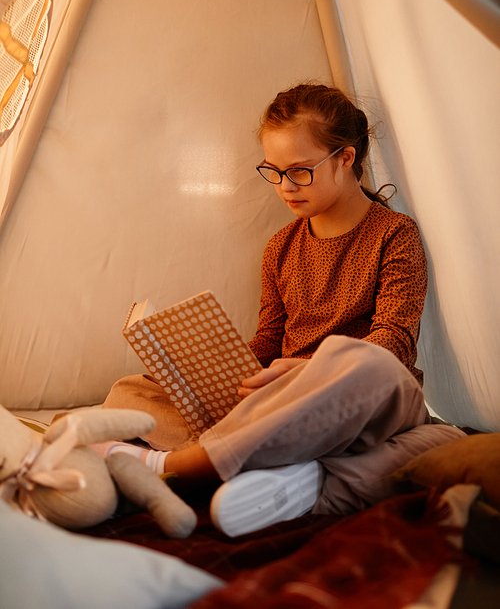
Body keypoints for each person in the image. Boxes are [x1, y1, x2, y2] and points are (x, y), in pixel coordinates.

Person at [99, 83, 464, 535]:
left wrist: (307, 372)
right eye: (273, 171)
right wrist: (220, 370)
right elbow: (270, 341)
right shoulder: (281, 247)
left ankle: (174, 464)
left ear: (345, 158)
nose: (285, 187)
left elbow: (394, 343)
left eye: (300, 171)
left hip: (364, 395)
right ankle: (287, 467)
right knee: (133, 391)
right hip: (283, 403)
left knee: (372, 370)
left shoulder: (394, 234)